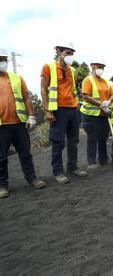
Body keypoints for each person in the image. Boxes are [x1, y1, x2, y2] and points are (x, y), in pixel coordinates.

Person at [0, 48, 46, 198]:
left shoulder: (16, 78)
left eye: (4, 59)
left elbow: (26, 97)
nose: (3, 62)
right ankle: (2, 186)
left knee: (25, 154)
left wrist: (31, 115)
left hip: (19, 123)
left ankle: (32, 178)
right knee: (1, 157)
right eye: (0, 59)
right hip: (1, 126)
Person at [40, 42, 87, 184]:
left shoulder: (72, 70)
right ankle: (58, 171)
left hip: (73, 109)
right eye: (67, 52)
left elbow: (73, 89)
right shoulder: (48, 67)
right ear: (59, 51)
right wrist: (48, 111)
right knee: (58, 142)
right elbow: (43, 90)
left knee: (73, 141)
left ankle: (72, 167)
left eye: (72, 53)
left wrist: (76, 107)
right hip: (58, 110)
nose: (70, 56)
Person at [80, 59, 113, 170]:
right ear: (93, 66)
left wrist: (108, 102)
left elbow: (112, 95)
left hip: (103, 114)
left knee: (103, 137)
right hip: (90, 114)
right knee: (92, 137)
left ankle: (103, 159)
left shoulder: (106, 81)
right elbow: (86, 96)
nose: (101, 69)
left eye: (102, 67)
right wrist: (100, 104)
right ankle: (91, 162)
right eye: (99, 66)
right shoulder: (88, 80)